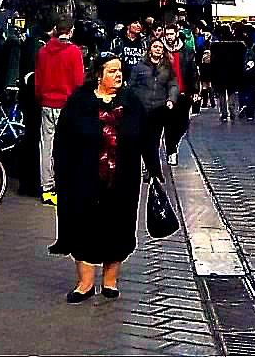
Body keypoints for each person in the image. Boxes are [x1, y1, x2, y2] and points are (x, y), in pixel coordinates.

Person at [52, 52, 162, 302]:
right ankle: (85, 283)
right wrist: (61, 173)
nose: (118, 75)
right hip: (85, 178)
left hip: (122, 179)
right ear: (98, 74)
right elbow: (63, 140)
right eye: (112, 71)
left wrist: (154, 170)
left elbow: (146, 137)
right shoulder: (79, 101)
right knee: (84, 225)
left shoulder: (130, 101)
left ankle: (110, 281)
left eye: (120, 70)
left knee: (118, 226)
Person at [34, 17, 85, 205]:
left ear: (56, 29)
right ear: (71, 31)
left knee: (46, 146)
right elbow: (78, 83)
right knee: (68, 147)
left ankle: (47, 187)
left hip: (47, 104)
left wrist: (42, 97)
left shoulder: (43, 51)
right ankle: (65, 183)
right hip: (67, 105)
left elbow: (38, 81)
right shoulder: (74, 52)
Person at [127, 33, 177, 170]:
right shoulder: (139, 66)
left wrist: (171, 99)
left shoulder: (167, 68)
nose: (158, 49)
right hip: (141, 108)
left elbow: (173, 84)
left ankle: (153, 168)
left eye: (160, 47)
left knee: (154, 140)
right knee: (142, 138)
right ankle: (149, 166)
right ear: (150, 49)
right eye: (155, 46)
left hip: (158, 109)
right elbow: (131, 85)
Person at [162, 24, 199, 165]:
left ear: (176, 33)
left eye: (172, 34)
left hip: (184, 93)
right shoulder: (162, 50)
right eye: (167, 34)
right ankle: (171, 151)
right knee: (169, 124)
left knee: (183, 123)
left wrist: (195, 90)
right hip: (167, 94)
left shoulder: (187, 51)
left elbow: (193, 71)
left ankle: (173, 146)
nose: (169, 37)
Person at [209, 25, 245, 121]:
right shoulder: (237, 45)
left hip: (219, 72)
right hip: (233, 72)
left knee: (221, 93)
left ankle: (224, 113)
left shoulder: (215, 46)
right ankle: (232, 111)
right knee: (232, 92)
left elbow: (212, 60)